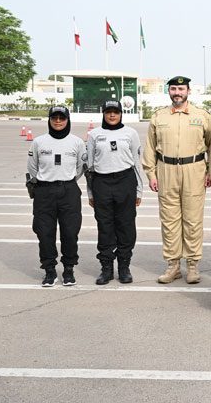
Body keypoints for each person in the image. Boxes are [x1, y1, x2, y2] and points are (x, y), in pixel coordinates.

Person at [142, 76, 211, 284]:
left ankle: (192, 265)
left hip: (194, 170)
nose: (177, 93)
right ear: (169, 92)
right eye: (173, 89)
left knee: (192, 220)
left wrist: (210, 172)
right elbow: (149, 148)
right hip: (167, 170)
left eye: (181, 89)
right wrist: (151, 174)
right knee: (170, 220)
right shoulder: (158, 117)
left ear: (188, 91)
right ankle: (173, 265)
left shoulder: (202, 116)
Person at [26, 105, 86, 287]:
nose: (58, 121)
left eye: (62, 118)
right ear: (50, 120)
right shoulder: (38, 142)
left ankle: (68, 270)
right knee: (44, 233)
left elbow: (80, 168)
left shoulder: (76, 142)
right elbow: (32, 167)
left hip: (69, 191)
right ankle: (49, 271)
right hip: (44, 192)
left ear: (68, 120)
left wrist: (65, 180)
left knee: (70, 232)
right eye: (54, 118)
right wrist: (47, 181)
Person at [86, 100, 144, 285]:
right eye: (108, 112)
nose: (112, 115)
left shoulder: (130, 133)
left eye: (116, 112)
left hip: (125, 180)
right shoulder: (94, 134)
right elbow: (90, 166)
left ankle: (124, 266)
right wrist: (90, 193)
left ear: (121, 114)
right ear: (103, 113)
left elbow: (136, 162)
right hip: (101, 182)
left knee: (126, 226)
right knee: (105, 227)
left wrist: (139, 190)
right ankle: (106, 268)